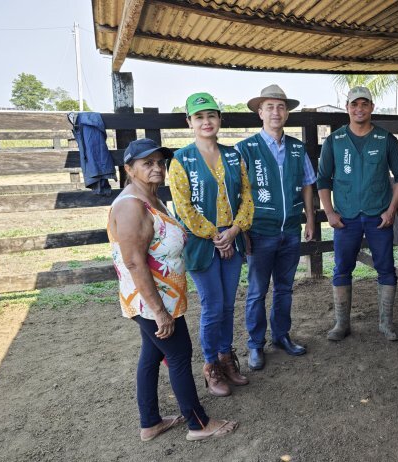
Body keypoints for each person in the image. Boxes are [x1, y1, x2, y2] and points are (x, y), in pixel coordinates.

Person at [108, 138, 237, 442]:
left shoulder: (150, 197)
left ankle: (150, 422)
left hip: (162, 299)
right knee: (179, 355)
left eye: (159, 163)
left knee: (151, 357)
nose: (157, 168)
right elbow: (134, 263)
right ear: (129, 169)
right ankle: (198, 424)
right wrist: (159, 312)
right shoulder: (130, 206)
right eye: (147, 163)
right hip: (153, 303)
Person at [169, 92, 254, 397]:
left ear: (220, 119)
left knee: (229, 304)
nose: (206, 122)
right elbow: (183, 207)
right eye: (199, 117)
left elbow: (247, 196)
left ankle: (225, 357)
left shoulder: (233, 156)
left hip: (231, 237)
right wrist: (216, 236)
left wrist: (233, 231)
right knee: (212, 305)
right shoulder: (181, 160)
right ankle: (210, 366)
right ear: (189, 121)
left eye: (212, 116)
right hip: (202, 243)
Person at [317, 86, 398, 342]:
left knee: (386, 268)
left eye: (364, 104)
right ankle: (341, 324)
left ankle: (386, 323)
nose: (359, 109)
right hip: (345, 218)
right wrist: (330, 213)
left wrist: (391, 211)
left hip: (378, 216)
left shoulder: (385, 139)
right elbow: (323, 179)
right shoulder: (334, 141)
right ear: (347, 108)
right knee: (342, 268)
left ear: (371, 108)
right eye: (354, 104)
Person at [235, 84, 316, 370]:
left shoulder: (296, 147)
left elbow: (308, 183)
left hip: (290, 230)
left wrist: (309, 218)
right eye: (269, 107)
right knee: (257, 291)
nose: (275, 112)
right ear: (260, 112)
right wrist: (241, 230)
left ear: (287, 113)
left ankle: (281, 335)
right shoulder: (245, 148)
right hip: (260, 231)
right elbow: (237, 192)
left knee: (284, 288)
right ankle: (255, 344)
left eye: (281, 107)